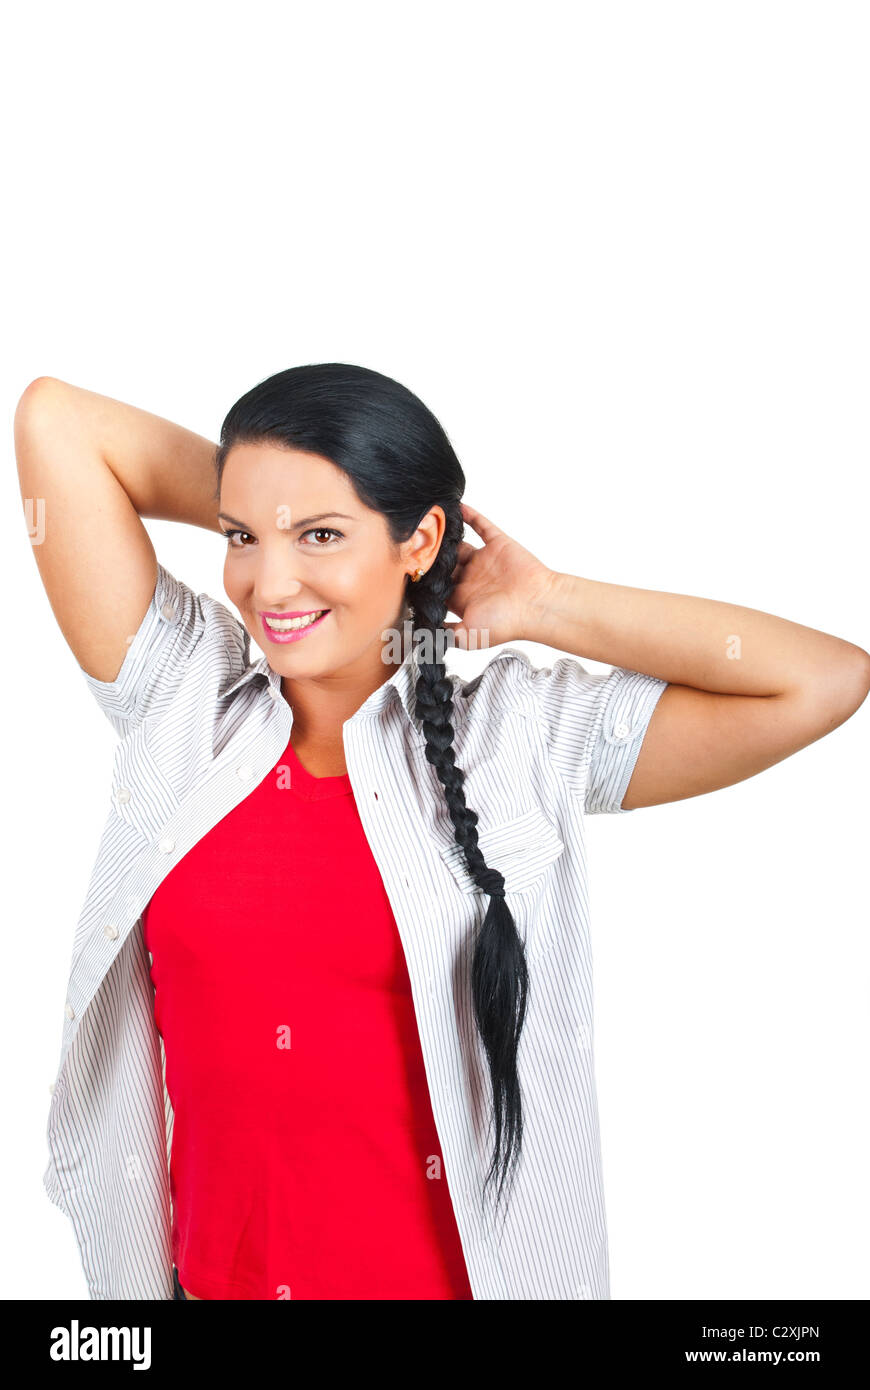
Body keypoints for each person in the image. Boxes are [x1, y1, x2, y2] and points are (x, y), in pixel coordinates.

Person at [17, 364, 870, 1300]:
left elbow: (819, 681)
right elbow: (55, 422)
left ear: (421, 540)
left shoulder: (518, 740)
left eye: (322, 536)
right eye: (242, 538)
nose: (269, 581)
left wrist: (545, 602)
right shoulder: (186, 701)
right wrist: (286, 495)